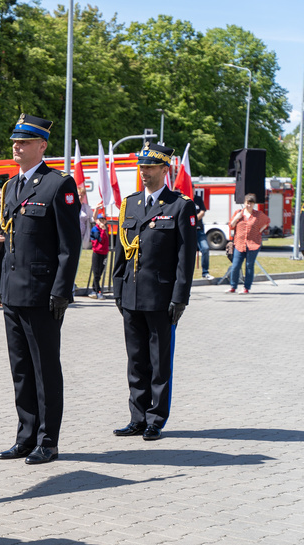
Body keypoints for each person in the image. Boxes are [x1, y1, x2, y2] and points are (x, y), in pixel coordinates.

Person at [0, 114, 81, 465]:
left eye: (25, 141)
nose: (17, 145)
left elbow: (69, 245)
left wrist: (61, 290)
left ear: (42, 146)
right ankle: (26, 436)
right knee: (21, 369)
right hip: (12, 292)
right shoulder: (10, 186)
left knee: (45, 368)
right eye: (15, 140)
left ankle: (48, 440)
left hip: (42, 292)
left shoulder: (58, 184)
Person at [112, 142, 197, 441]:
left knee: (159, 362)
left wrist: (180, 297)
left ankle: (155, 419)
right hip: (132, 295)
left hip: (161, 297)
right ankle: (137, 417)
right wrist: (117, 288)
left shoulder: (180, 205)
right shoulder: (130, 204)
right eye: (142, 167)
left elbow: (186, 257)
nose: (144, 172)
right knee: (136, 360)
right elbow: (121, 252)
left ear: (165, 170)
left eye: (150, 167)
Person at [228, 194, 270, 294]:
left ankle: (246, 288)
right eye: (247, 203)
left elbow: (267, 221)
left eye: (251, 203)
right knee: (235, 265)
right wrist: (236, 218)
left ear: (254, 204)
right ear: (244, 203)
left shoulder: (258, 214)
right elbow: (231, 226)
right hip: (239, 243)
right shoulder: (238, 213)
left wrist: (260, 230)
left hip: (253, 244)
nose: (249, 205)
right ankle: (233, 286)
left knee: (249, 265)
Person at [191, 192, 213, 279]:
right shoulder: (183, 199)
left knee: (205, 248)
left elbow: (202, 211)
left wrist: (193, 220)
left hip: (199, 230)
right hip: (188, 232)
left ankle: (205, 272)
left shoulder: (198, 199)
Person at [90, 213, 109, 299]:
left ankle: (94, 289)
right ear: (97, 221)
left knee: (100, 272)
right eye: (100, 220)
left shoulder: (105, 229)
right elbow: (100, 240)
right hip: (97, 253)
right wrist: (102, 230)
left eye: (103, 220)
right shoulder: (95, 229)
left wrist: (104, 230)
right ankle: (98, 291)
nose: (102, 222)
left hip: (104, 253)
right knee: (96, 272)